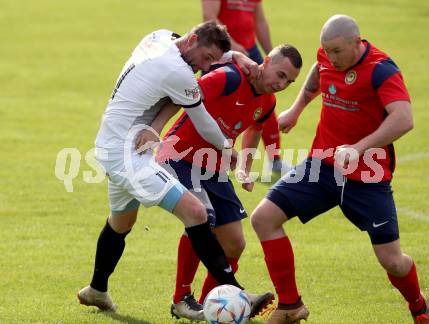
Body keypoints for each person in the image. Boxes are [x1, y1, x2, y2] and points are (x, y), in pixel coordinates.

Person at [250, 15, 429, 324]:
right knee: (264, 218)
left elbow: (404, 119)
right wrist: (296, 109)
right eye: (326, 50)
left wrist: (359, 148)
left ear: (356, 43)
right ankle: (290, 305)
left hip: (367, 177)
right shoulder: (328, 58)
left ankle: (418, 306)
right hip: (322, 166)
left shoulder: (381, 70)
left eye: (336, 51)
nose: (330, 58)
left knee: (392, 262)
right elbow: (318, 70)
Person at [76, 21, 260, 314]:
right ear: (194, 40)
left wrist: (233, 56)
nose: (207, 67)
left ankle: (97, 290)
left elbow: (199, 52)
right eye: (207, 58)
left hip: (113, 142)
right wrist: (228, 149)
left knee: (121, 222)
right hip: (128, 152)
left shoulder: (160, 38)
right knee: (197, 212)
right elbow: (203, 122)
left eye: (213, 61)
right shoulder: (178, 73)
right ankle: (231, 292)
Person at [153, 44, 302, 321]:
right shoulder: (228, 78)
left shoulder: (267, 103)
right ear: (266, 61)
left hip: (214, 168)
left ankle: (209, 305)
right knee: (201, 217)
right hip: (179, 156)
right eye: (280, 74)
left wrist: (244, 167)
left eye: (289, 81)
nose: (281, 84)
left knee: (234, 243)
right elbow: (183, 93)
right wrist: (155, 129)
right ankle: (181, 299)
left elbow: (255, 130)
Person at [202, 0, 291, 174]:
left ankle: (274, 160)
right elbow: (209, 17)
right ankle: (202, 159)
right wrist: (233, 46)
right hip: (223, 51)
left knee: (266, 105)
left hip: (250, 51)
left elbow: (259, 21)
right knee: (212, 107)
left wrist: (275, 57)